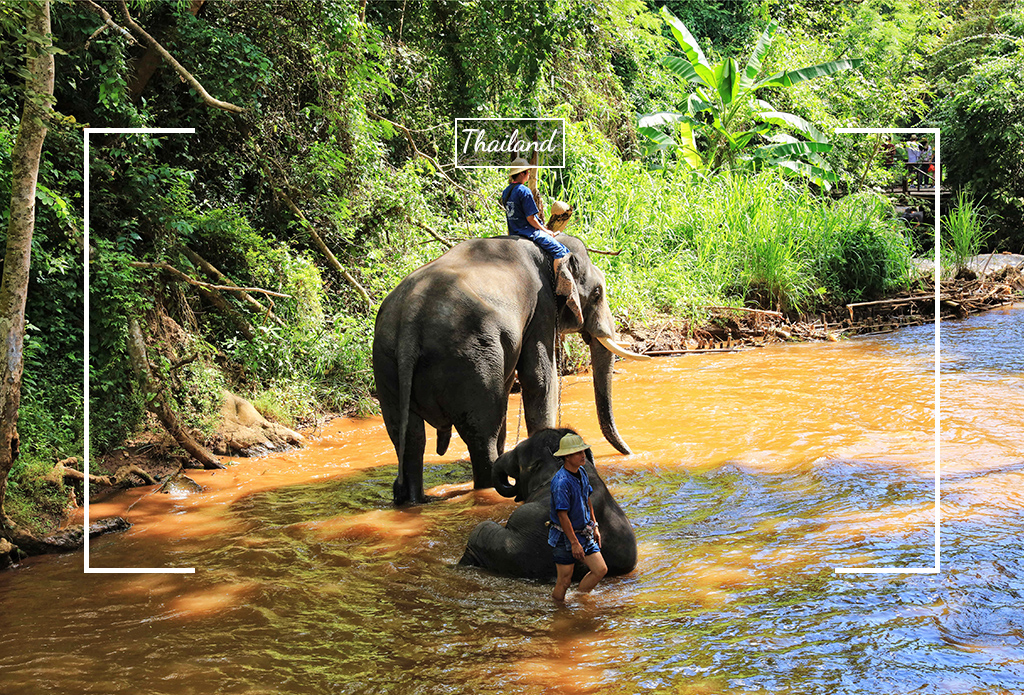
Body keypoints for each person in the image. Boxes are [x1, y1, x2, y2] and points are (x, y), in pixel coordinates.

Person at [502, 158, 583, 323]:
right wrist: (546, 231)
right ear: (523, 174)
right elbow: (531, 218)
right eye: (527, 172)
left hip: (513, 231)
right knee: (561, 251)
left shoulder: (507, 191)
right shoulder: (523, 191)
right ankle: (561, 287)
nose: (529, 174)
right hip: (528, 231)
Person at [548, 432, 608, 601]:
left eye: (583, 452)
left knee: (600, 569)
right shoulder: (561, 482)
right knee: (564, 580)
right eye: (578, 453)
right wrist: (574, 543)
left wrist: (595, 525)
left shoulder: (581, 472)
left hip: (584, 531)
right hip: (565, 537)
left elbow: (587, 498)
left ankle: (578, 599)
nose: (583, 456)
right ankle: (558, 611)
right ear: (567, 457)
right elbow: (562, 515)